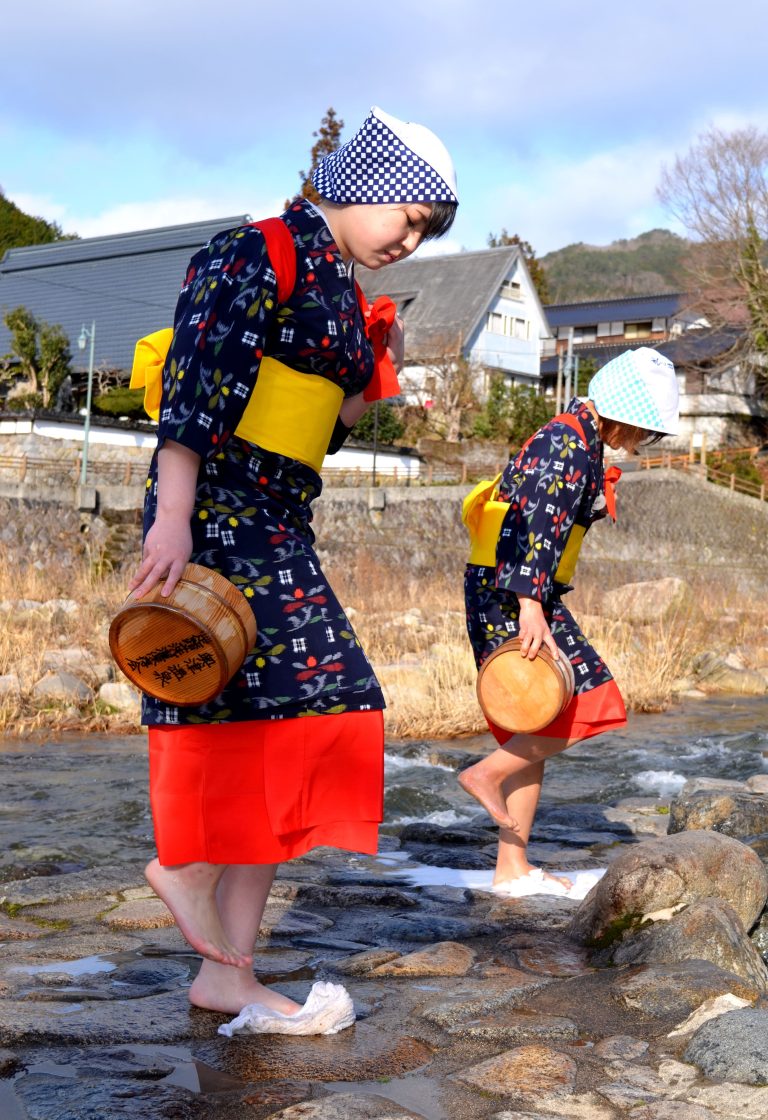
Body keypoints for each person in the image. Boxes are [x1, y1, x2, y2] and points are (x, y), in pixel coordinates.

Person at [127, 106, 458, 1025]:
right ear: (360, 182)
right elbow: (197, 381)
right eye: (409, 214)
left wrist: (367, 381)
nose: (411, 238)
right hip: (221, 512)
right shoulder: (258, 249)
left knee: (282, 725)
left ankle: (226, 970)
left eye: (426, 230)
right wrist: (174, 520)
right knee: (319, 704)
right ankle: (185, 868)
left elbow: (317, 433)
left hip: (279, 514)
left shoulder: (342, 292)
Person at [459, 348, 679, 896]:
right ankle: (484, 774)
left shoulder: (579, 440)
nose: (644, 441)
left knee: (532, 720)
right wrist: (531, 604)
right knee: (593, 702)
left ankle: (512, 866)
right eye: (646, 430)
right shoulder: (565, 441)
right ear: (624, 413)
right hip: (515, 591)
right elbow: (535, 520)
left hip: (512, 585)